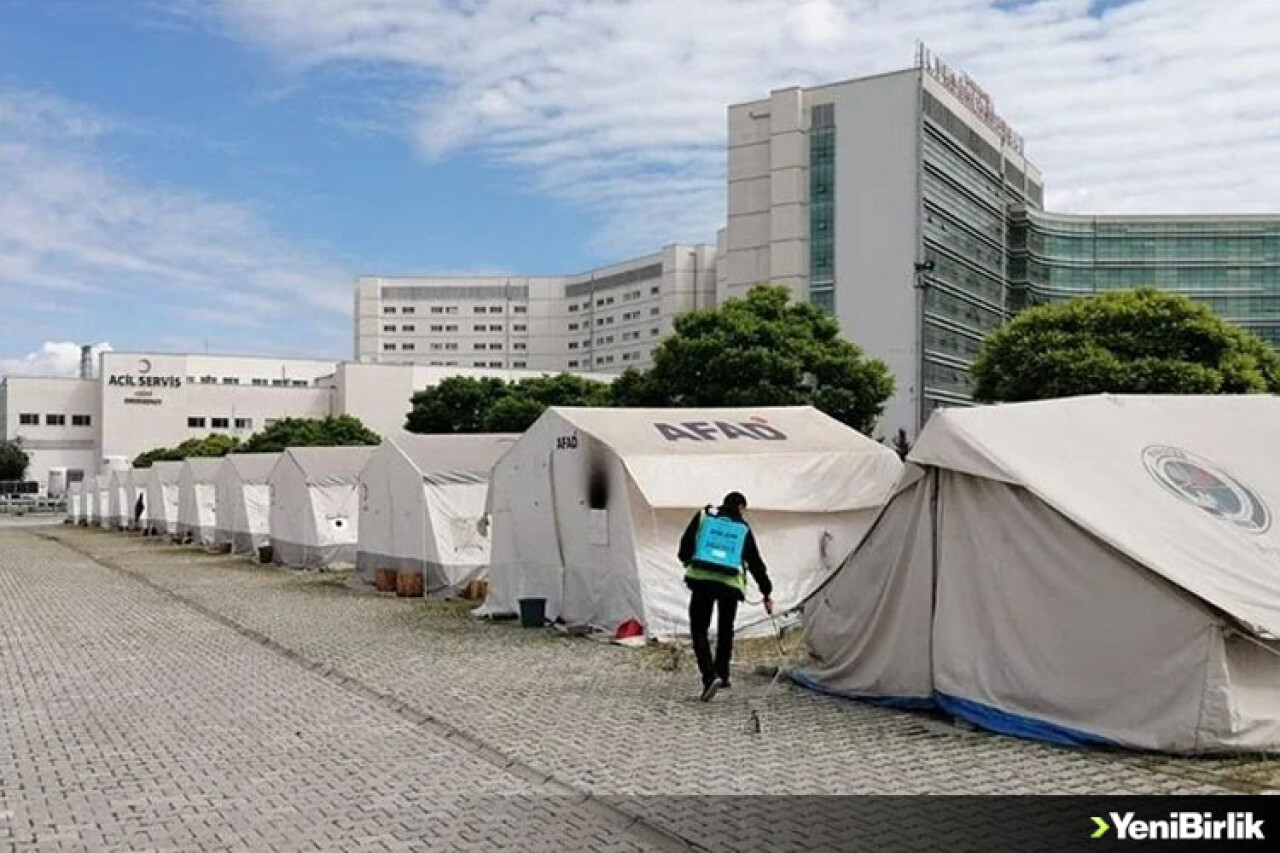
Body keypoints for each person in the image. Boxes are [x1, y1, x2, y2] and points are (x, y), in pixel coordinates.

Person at [678, 491, 773, 701]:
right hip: (729, 584)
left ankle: (709, 676)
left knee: (699, 630)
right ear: (740, 507)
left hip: (701, 579)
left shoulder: (705, 516)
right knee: (725, 629)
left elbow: (685, 545)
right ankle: (723, 673)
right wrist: (766, 590)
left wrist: (688, 560)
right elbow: (755, 562)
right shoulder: (742, 528)